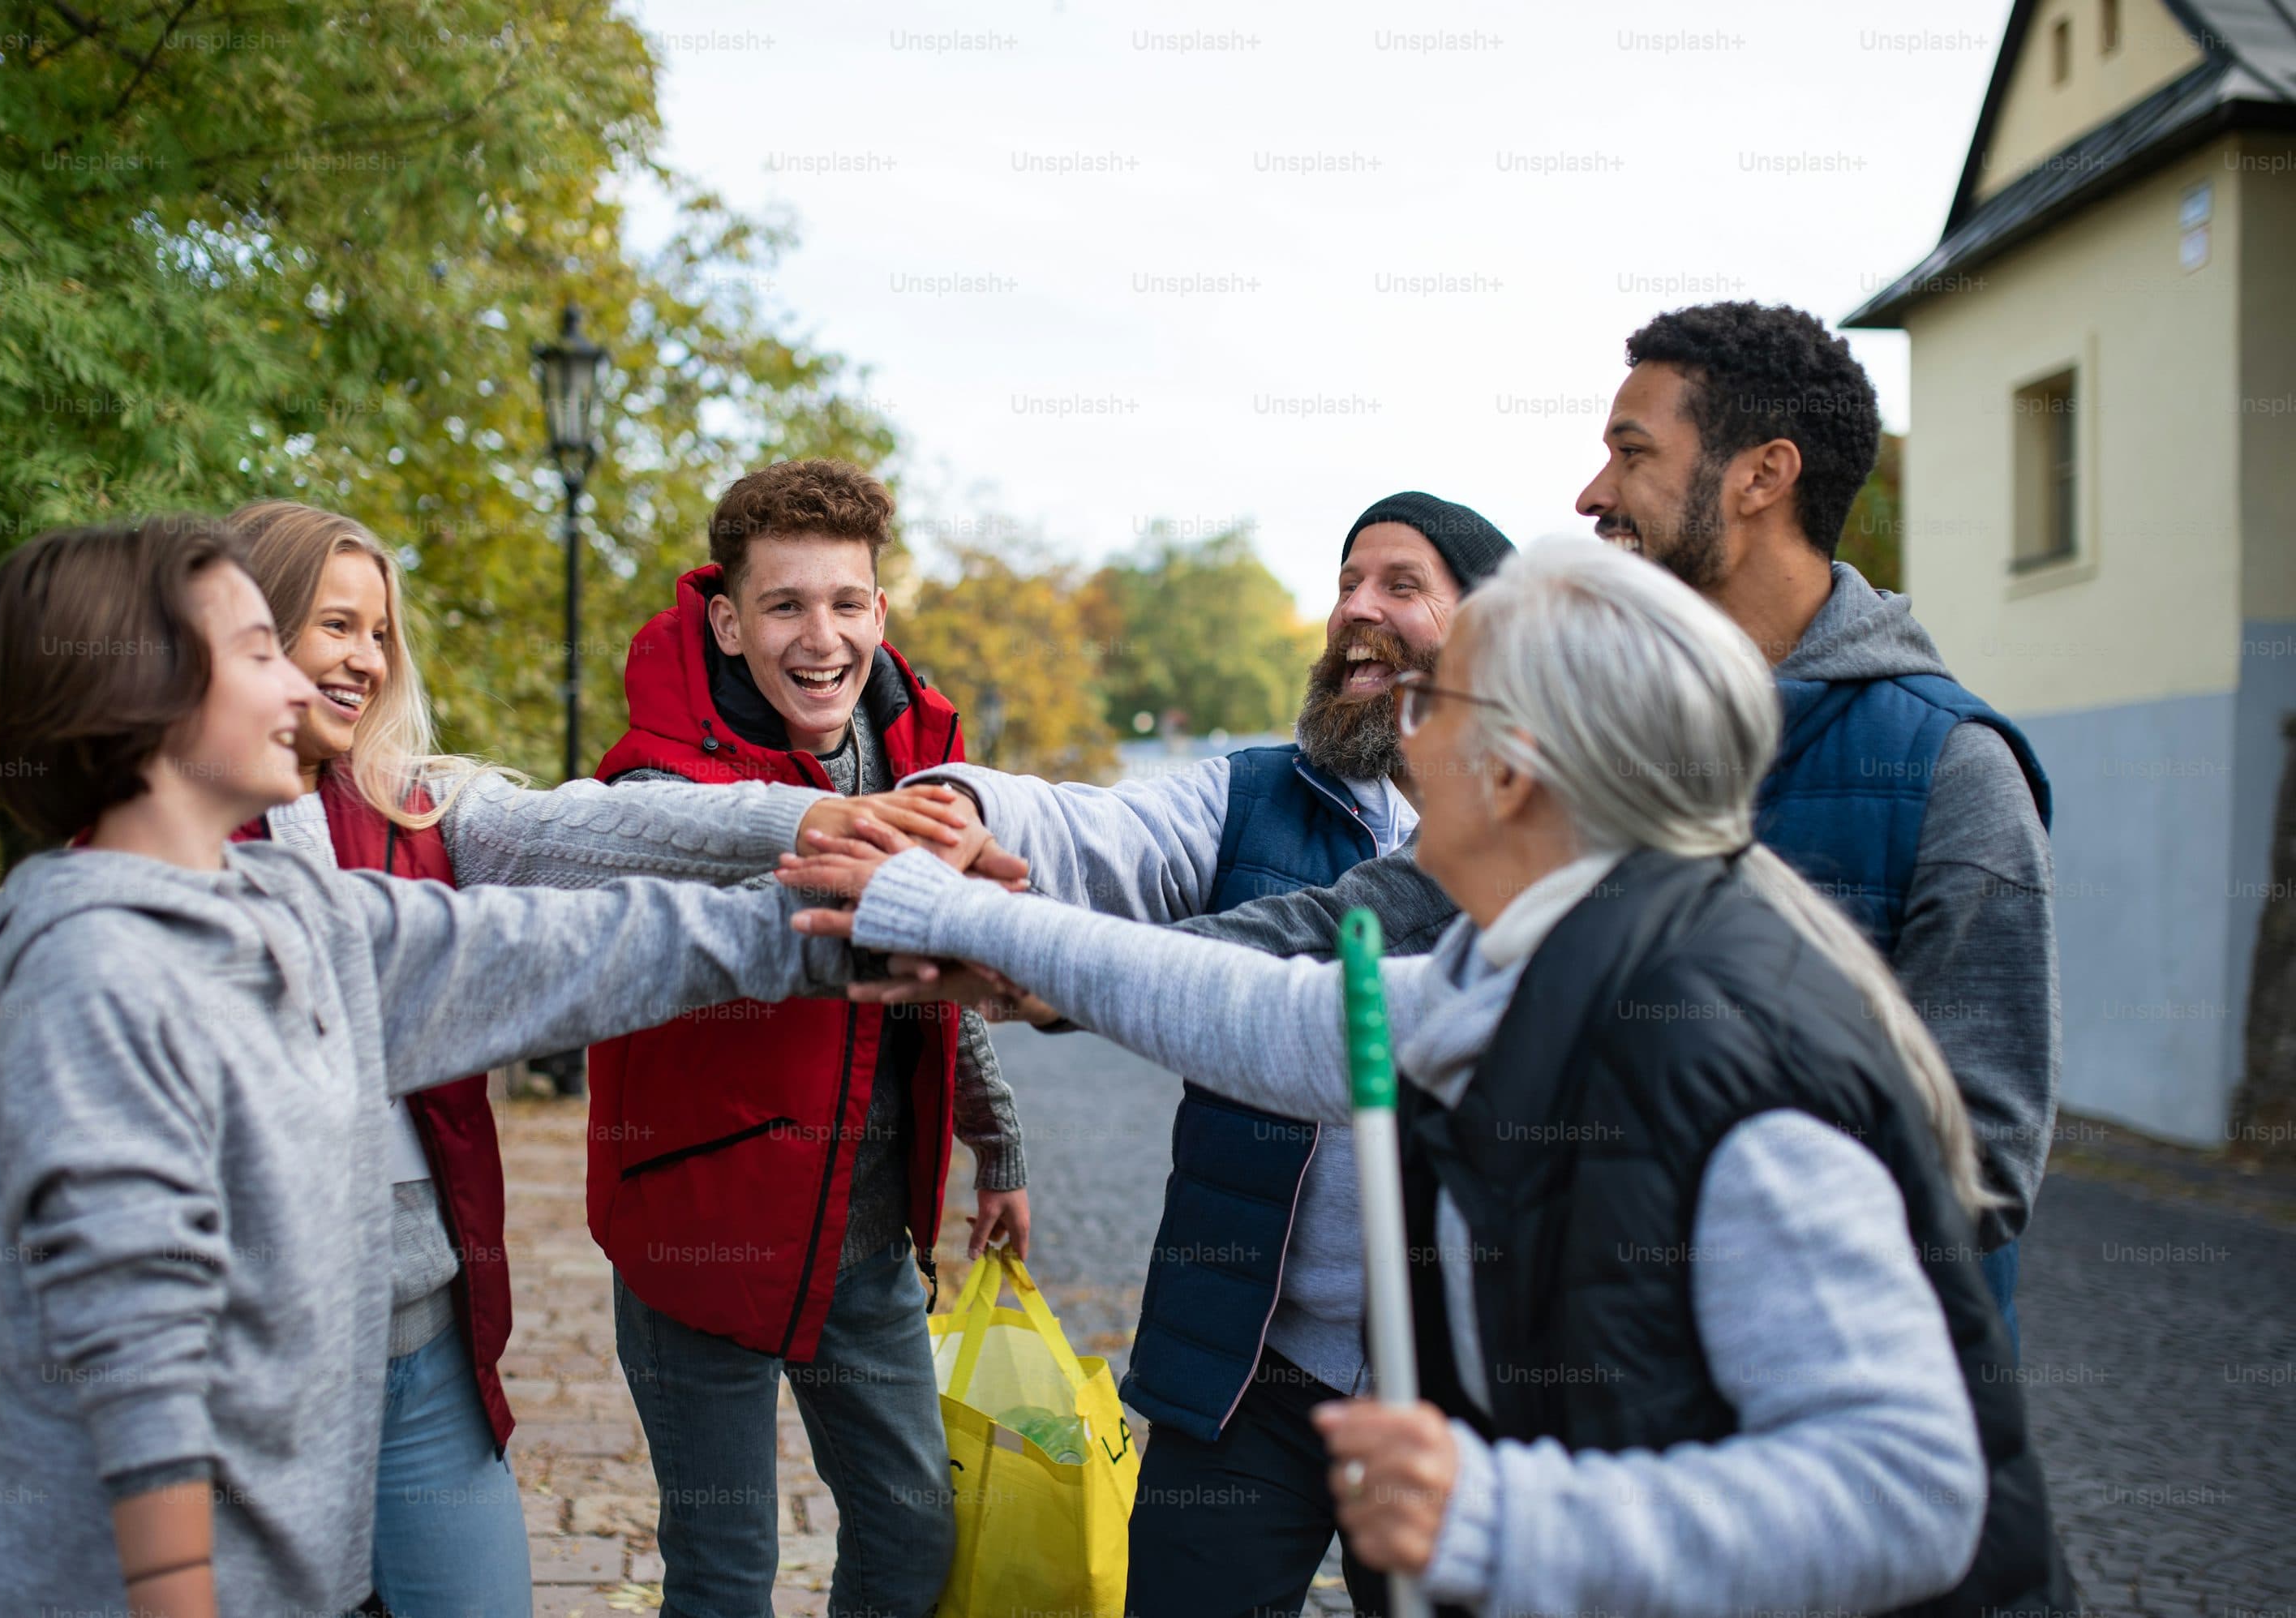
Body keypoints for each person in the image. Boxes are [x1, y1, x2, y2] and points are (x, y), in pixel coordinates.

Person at [785, 539, 2075, 1616]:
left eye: (1430, 706)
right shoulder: (1537, 955)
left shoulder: (1697, 1032)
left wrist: (1502, 1510)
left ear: (1510, 767)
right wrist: (975, 920)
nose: (1404, 745)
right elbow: (1271, 1016)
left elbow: (1910, 1485)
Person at [0, 516, 855, 1618]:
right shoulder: (101, 965)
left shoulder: (289, 909)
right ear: (149, 692)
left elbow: (563, 949)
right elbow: (137, 1351)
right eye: (263, 648)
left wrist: (850, 918)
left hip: (394, 1365)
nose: (310, 683)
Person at [222, 499, 995, 1616]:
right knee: (724, 1563)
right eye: (330, 623)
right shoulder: (175, 844)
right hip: (260, 1352)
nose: (363, 655)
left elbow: (595, 836)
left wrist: (810, 822)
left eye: (378, 631)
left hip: (427, 1332)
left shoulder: (422, 800)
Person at [903, 492, 1511, 1617]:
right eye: (1346, 583)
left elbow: (1310, 949)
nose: (1356, 611)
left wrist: (1057, 973)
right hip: (1249, 1363)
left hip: (1460, 1388)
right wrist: (953, 806)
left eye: (1401, 585)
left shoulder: (1528, 826)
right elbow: (1099, 832)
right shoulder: (1253, 793)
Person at [585, 459, 1028, 1618]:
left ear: (880, 612)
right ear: (729, 622)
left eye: (845, 602)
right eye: (784, 605)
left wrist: (1001, 1146)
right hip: (699, 1232)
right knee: (727, 1572)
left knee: (911, 1530)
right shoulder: (653, 779)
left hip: (866, 1233)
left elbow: (937, 979)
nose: (820, 635)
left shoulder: (930, 763)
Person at [1575, 301, 2058, 1342]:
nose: (1592, 495)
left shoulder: (1953, 770)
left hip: (1855, 1433)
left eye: (1631, 453)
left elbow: (1978, 1160)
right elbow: (1407, 924)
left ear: (1761, 476)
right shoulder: (1609, 748)